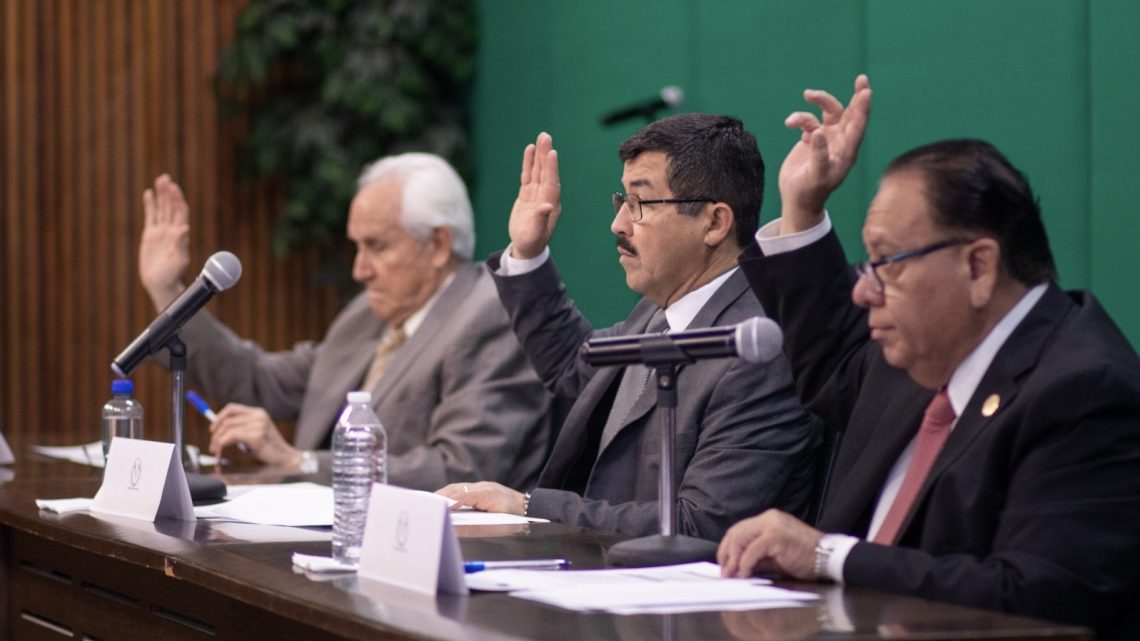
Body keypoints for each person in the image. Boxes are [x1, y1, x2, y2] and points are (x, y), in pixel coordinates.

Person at [718, 75, 1140, 638]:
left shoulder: (1083, 390)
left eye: (887, 262)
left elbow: (1041, 597)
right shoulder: (924, 360)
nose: (864, 290)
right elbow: (831, 354)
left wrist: (828, 555)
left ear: (978, 267)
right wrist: (802, 206)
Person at [439, 116, 820, 541]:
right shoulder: (659, 311)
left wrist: (530, 508)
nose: (619, 224)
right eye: (622, 199)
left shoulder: (757, 350)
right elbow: (575, 365)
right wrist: (528, 254)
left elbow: (702, 525)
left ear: (714, 223)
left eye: (640, 203)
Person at [137, 153, 553, 491]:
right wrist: (168, 290)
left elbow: (461, 471)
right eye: (357, 247)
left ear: (438, 245)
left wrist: (300, 462)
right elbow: (258, 380)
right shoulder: (368, 314)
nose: (359, 270)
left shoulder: (490, 315)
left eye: (376, 246)